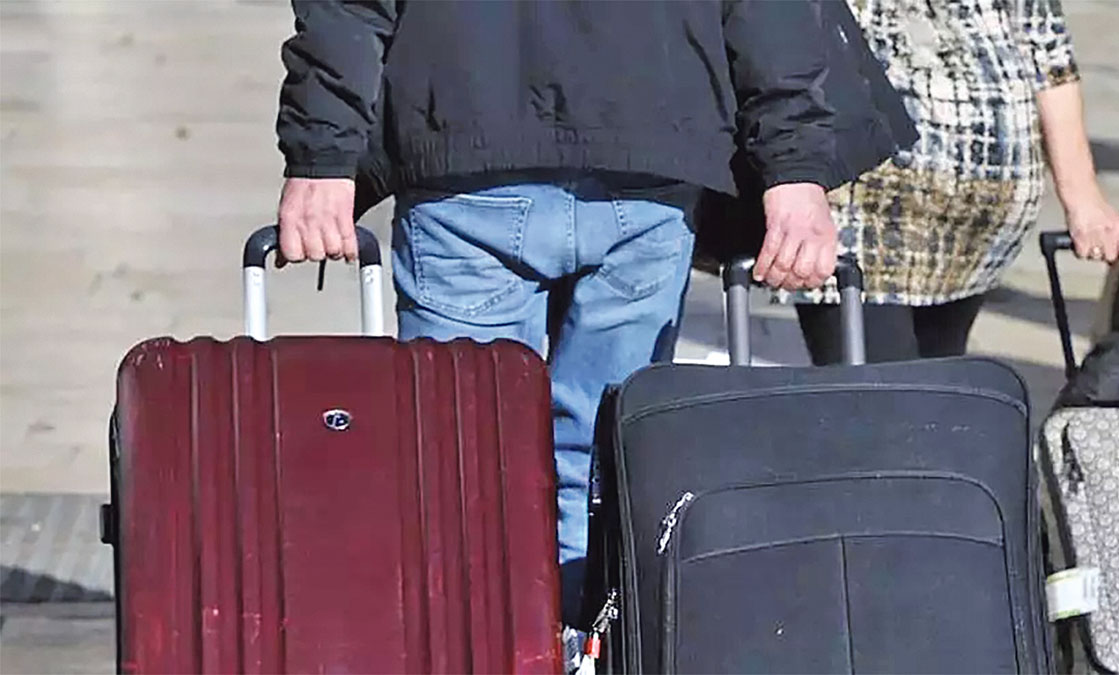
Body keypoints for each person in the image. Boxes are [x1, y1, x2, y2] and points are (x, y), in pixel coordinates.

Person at [272, 0, 910, 641]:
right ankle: (584, 643)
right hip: (649, 148)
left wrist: (322, 155)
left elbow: (348, 9)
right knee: (600, 460)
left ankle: (486, 643)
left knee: (464, 457)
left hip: (466, 140)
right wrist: (795, 170)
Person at [787, 0, 1119, 365]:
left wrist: (1084, 199)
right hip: (854, 201)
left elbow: (1047, 51)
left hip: (973, 219)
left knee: (936, 387)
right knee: (880, 391)